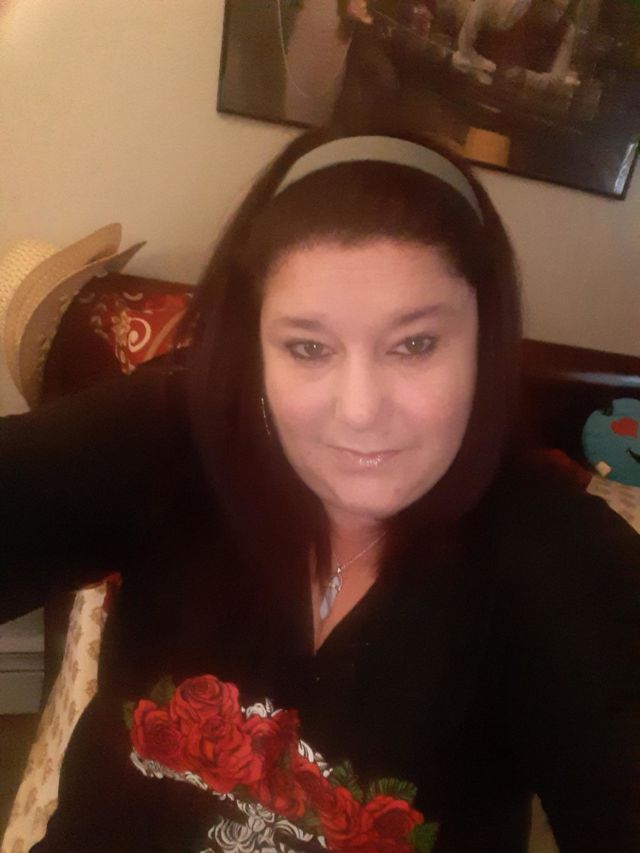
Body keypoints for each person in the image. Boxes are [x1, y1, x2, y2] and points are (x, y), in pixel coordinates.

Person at [1, 126, 639, 852]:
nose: (360, 410)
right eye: (307, 347)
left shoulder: (566, 561)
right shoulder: (173, 436)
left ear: (484, 344)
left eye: (415, 344)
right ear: (255, 350)